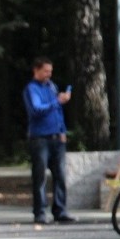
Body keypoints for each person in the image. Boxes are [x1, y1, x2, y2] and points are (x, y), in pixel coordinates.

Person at [22, 57, 76, 225]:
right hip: (40, 139)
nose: (48, 75)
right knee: (40, 176)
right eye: (45, 71)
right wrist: (56, 101)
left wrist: (62, 130)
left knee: (60, 175)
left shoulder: (51, 86)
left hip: (56, 138)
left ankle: (60, 210)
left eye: (50, 71)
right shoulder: (31, 89)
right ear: (36, 70)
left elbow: (57, 111)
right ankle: (40, 212)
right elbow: (36, 110)